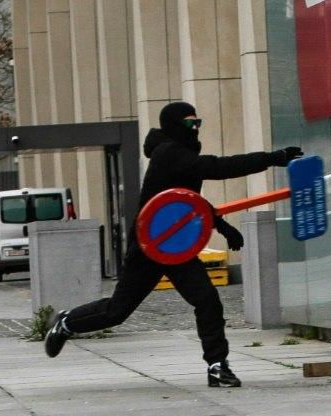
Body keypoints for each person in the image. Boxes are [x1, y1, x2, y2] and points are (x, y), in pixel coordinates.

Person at [44, 101, 303, 386]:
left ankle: (217, 366)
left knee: (208, 301)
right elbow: (218, 167)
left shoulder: (181, 155)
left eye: (198, 123)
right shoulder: (169, 153)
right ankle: (67, 322)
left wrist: (223, 226)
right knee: (117, 312)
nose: (195, 129)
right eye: (191, 124)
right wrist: (271, 158)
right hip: (149, 247)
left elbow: (190, 203)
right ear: (175, 126)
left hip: (176, 248)